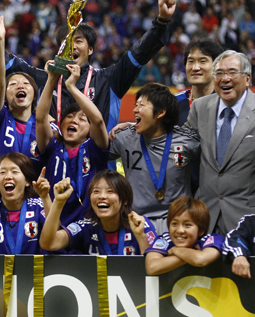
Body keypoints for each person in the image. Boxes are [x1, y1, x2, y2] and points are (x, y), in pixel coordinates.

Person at [0, 0, 176, 131]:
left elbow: (141, 51)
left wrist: (162, 20)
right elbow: (1, 58)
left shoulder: (109, 79)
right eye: (65, 41)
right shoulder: (42, 80)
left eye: (78, 40)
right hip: (52, 170)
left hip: (97, 174)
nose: (71, 45)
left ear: (90, 50)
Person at [109, 83, 200, 234]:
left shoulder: (187, 141)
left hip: (178, 224)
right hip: (136, 222)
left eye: (142, 105)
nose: (135, 109)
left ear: (160, 113)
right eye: (135, 104)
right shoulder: (124, 137)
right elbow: (94, 154)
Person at [0, 9, 45, 199]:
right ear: (5, 97)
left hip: (28, 210)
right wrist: (0, 41)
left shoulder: (44, 129)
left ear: (35, 94)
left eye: (25, 83)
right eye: (13, 84)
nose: (19, 85)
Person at [184, 50, 255, 235]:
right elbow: (181, 142)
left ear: (247, 79)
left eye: (232, 72)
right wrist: (136, 128)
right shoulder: (200, 108)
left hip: (247, 221)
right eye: (219, 73)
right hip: (205, 217)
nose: (225, 78)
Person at [36, 60, 109, 234]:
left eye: (82, 118)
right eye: (69, 117)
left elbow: (98, 121)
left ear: (89, 129)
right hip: (52, 224)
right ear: (61, 124)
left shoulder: (94, 149)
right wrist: (51, 79)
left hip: (88, 227)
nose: (74, 120)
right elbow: (41, 118)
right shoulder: (52, 147)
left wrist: (72, 87)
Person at [40, 170, 156, 255]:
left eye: (110, 191)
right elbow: (49, 244)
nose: (102, 196)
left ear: (125, 199)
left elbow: (151, 266)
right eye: (96, 191)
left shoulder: (140, 225)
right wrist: (58, 202)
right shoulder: (85, 226)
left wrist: (141, 237)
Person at [145, 196, 223, 275]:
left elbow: (200, 260)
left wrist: (174, 250)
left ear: (201, 230)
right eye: (174, 224)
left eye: (187, 225)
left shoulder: (213, 239)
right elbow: (152, 267)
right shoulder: (163, 240)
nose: (180, 230)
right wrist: (192, 255)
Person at [174, 38, 224, 125]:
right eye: (191, 61)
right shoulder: (173, 103)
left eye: (202, 61)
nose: (195, 68)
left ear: (217, 67)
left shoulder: (227, 103)